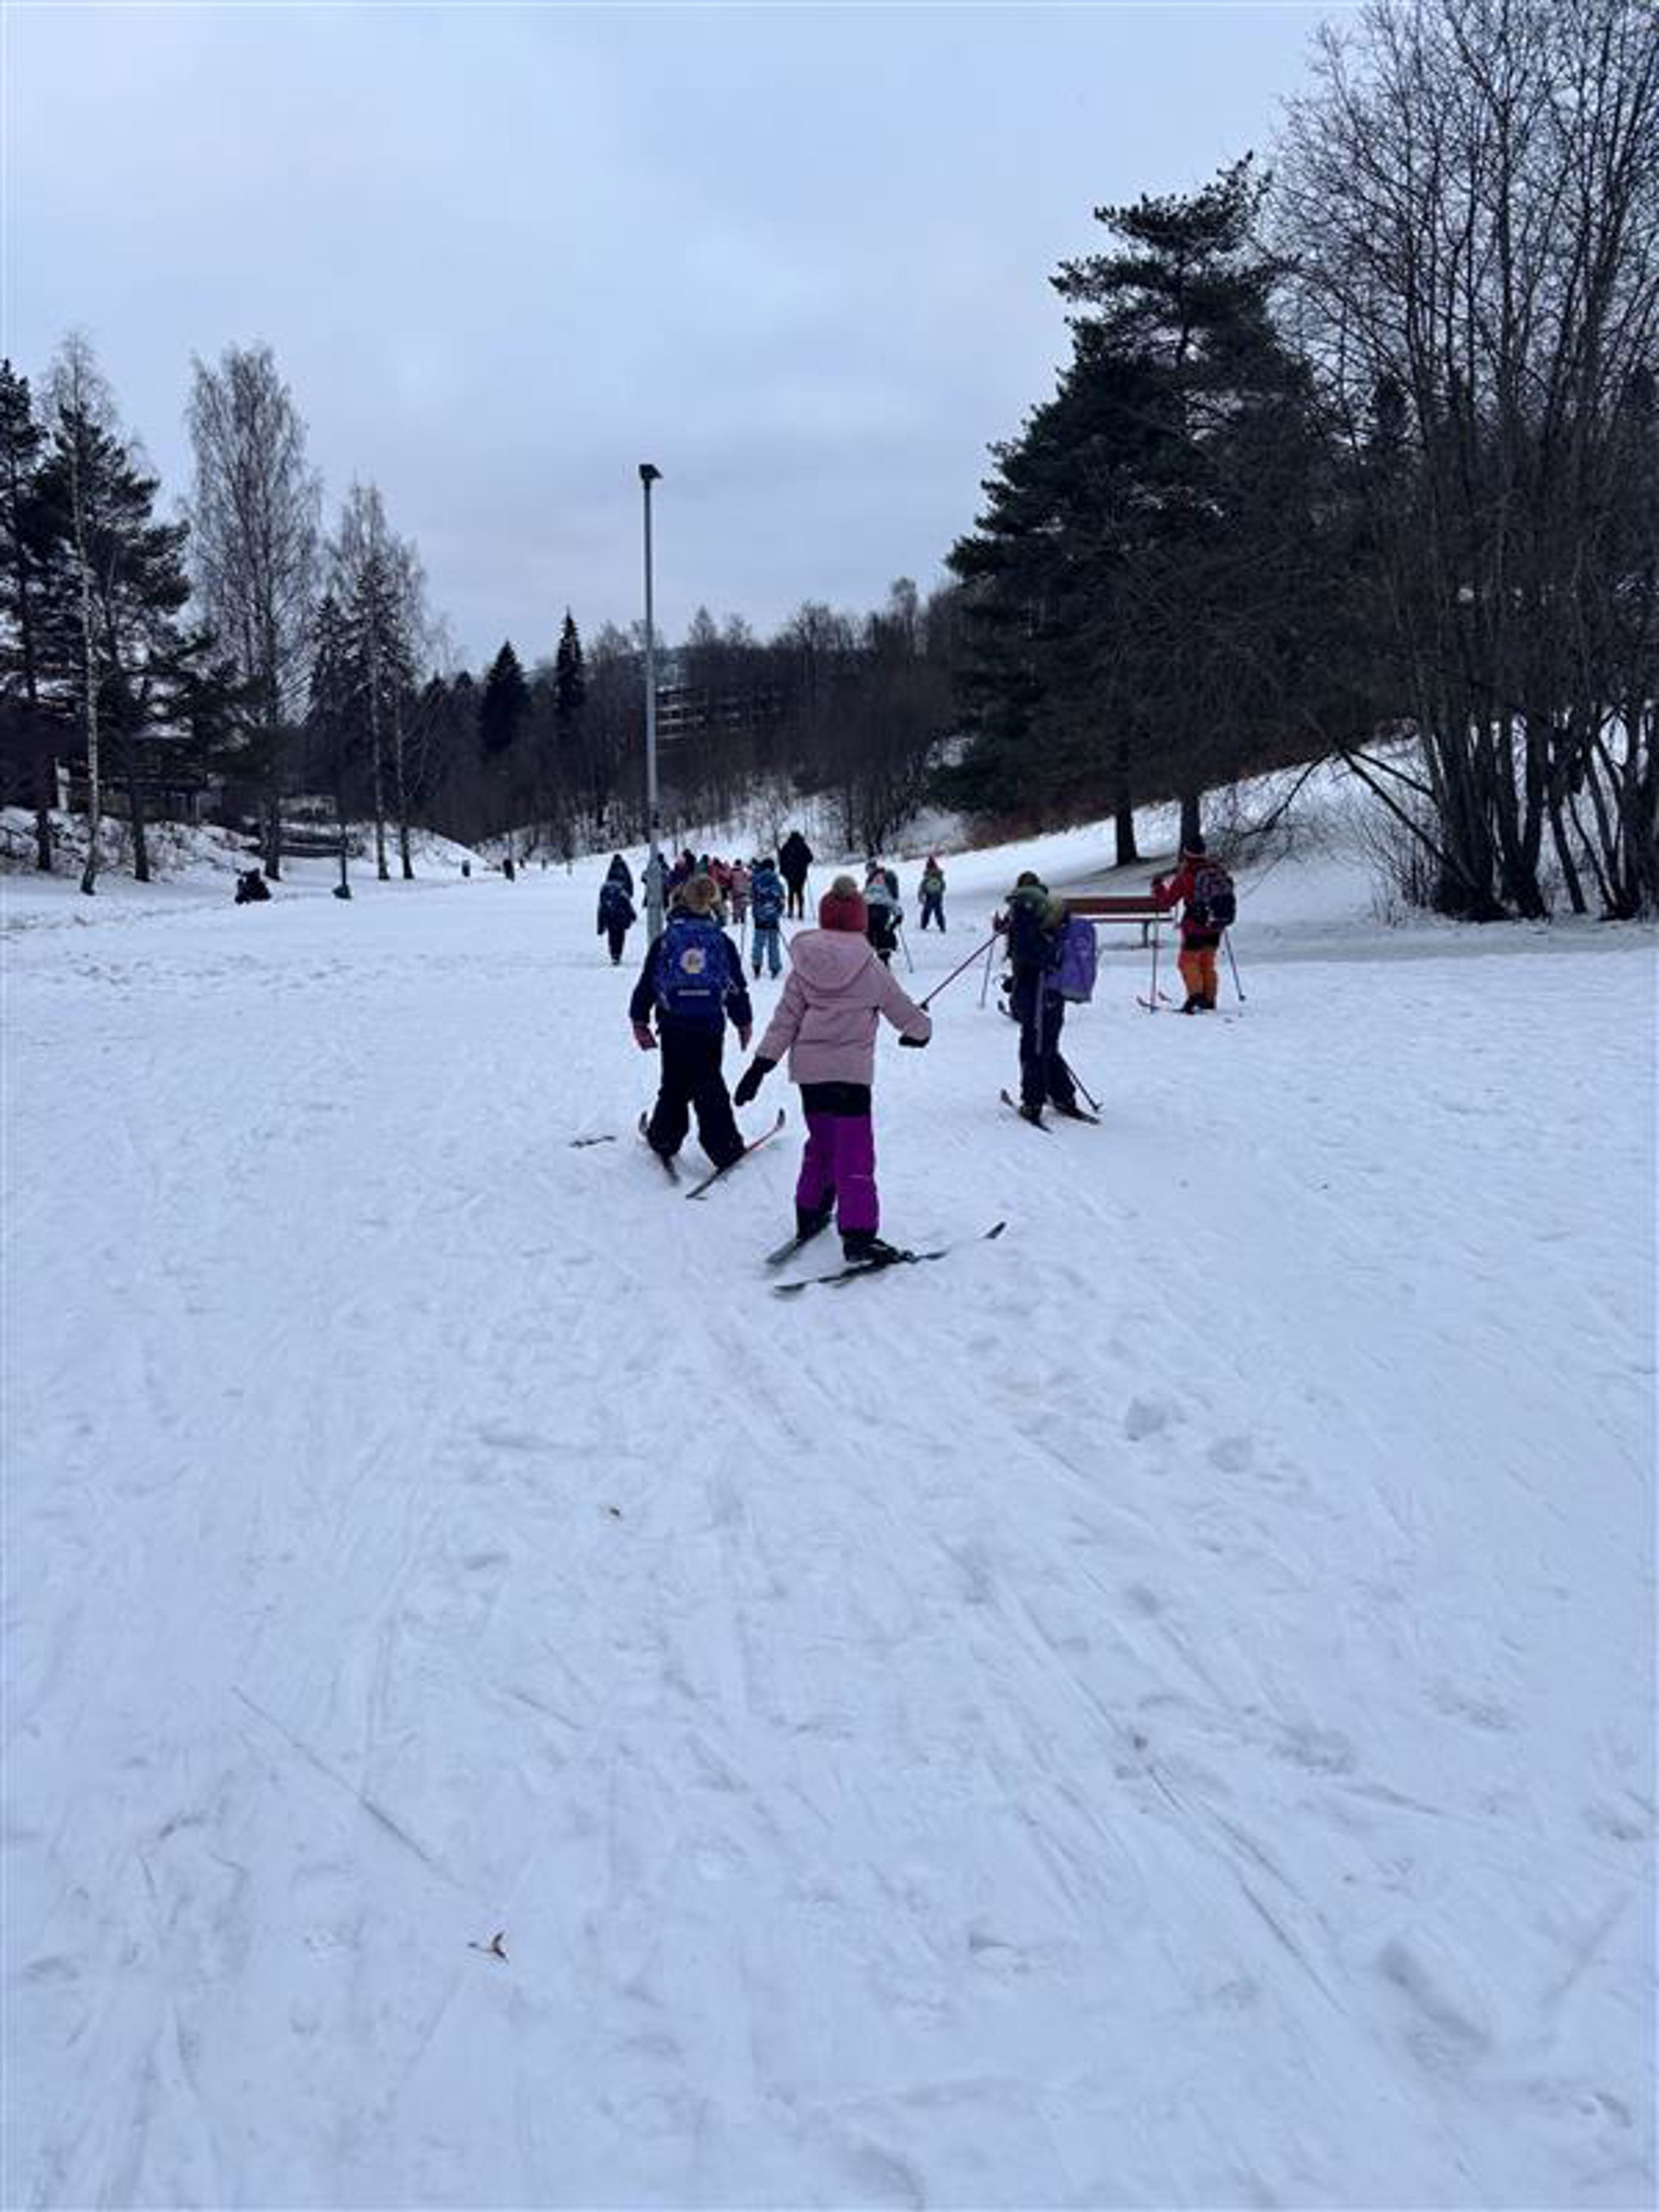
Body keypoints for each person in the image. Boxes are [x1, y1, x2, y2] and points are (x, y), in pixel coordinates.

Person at [734, 875, 930, 1263]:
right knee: (854, 1154)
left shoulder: (803, 967)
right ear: (859, 920)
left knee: (822, 1145)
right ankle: (858, 1237)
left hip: (811, 1077)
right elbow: (907, 1015)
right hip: (851, 1079)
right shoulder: (872, 968)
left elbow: (784, 1022)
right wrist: (920, 1032)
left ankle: (809, 1213)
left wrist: (760, 1067)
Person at [629, 875, 753, 1170]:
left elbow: (648, 983)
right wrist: (743, 1022)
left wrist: (639, 1019)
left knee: (673, 1081)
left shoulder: (666, 940)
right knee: (709, 1082)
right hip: (709, 1024)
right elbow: (736, 986)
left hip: (673, 1024)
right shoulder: (720, 941)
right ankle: (724, 1146)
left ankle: (664, 1138)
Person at [1001, 871, 1084, 1124]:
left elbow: (1026, 953)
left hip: (1035, 989)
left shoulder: (1023, 911)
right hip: (1055, 989)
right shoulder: (1053, 911)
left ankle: (1033, 1101)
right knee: (1048, 1043)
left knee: (1033, 1045)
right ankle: (1063, 1096)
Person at [1151, 835, 1234, 1012]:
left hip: (1194, 926)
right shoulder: (1216, 869)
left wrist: (1158, 888)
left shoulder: (1186, 874)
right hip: (1216, 925)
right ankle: (1209, 999)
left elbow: (1168, 901)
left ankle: (1196, 998)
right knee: (1207, 963)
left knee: (1187, 962)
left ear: (1186, 853)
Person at [749, 854, 787, 978]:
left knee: (758, 942)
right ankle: (775, 967)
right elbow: (781, 900)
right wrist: (778, 912)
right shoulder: (777, 882)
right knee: (773, 943)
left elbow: (753, 899)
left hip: (760, 917)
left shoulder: (756, 881)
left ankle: (756, 966)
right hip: (773, 917)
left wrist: (755, 913)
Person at [597, 858, 636, 964]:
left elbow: (601, 906)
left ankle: (613, 954)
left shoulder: (605, 887)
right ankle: (618, 954)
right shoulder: (621, 887)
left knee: (612, 935)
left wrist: (601, 925)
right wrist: (632, 915)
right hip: (621, 916)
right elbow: (627, 903)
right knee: (620, 935)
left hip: (610, 915)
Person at [862, 861, 902, 965]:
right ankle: (884, 959)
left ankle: (867, 957)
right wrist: (898, 916)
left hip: (869, 912)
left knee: (869, 934)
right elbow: (893, 904)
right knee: (883, 934)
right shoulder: (885, 892)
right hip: (882, 913)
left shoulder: (867, 892)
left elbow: (859, 905)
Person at [779, 828, 814, 919]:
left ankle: (791, 911)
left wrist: (783, 871)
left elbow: (782, 859)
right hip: (801, 873)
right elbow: (810, 858)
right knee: (800, 892)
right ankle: (801, 911)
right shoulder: (803, 846)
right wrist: (804, 863)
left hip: (790, 874)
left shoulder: (787, 846)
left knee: (791, 892)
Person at [918, 856, 946, 931]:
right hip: (938, 896)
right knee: (939, 912)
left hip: (929, 896)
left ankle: (923, 925)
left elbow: (922, 887)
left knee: (926, 912)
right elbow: (943, 886)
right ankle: (942, 926)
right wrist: (940, 892)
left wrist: (920, 896)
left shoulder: (927, 875)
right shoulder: (939, 876)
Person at [729, 859, 751, 927]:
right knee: (743, 910)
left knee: (736, 910)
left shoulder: (731, 873)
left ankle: (735, 923)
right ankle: (743, 921)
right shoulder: (744, 873)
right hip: (743, 894)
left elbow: (729, 884)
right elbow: (749, 882)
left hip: (735, 894)